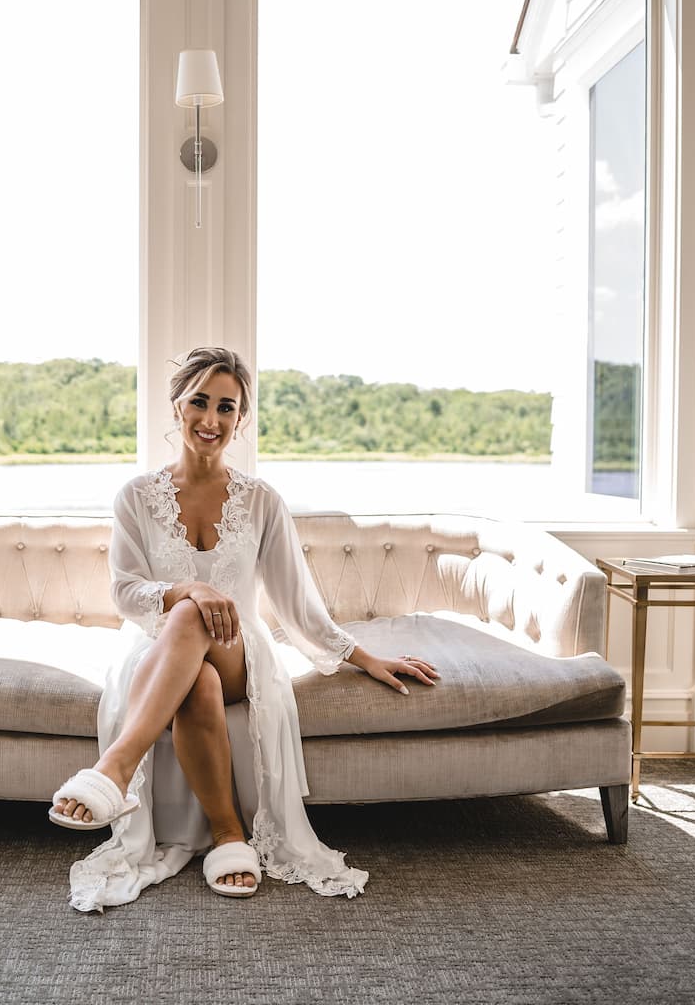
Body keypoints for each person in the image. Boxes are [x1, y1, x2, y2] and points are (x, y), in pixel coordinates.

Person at [49, 346, 439, 911]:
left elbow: (297, 604)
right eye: (200, 402)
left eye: (226, 408)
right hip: (157, 650)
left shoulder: (260, 501)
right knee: (195, 673)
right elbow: (125, 592)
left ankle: (115, 768)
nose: (211, 420)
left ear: (241, 418)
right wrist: (186, 589)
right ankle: (228, 835)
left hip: (238, 655)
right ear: (177, 406)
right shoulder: (136, 496)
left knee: (198, 624)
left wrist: (363, 656)